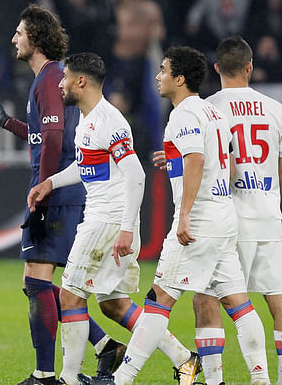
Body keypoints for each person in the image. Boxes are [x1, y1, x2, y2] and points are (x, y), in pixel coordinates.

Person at [82, 46, 269, 385]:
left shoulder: (182, 115)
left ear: (179, 79)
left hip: (197, 222)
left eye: (164, 70)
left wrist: (184, 215)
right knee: (239, 304)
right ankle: (260, 379)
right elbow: (220, 161)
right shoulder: (212, 112)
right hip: (223, 217)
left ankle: (121, 379)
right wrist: (174, 163)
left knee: (157, 301)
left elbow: (196, 160)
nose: (158, 76)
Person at [0, 4, 124, 385]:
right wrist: (7, 123)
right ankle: (104, 344)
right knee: (42, 282)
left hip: (56, 190)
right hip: (61, 186)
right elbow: (46, 134)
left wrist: (43, 188)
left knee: (37, 282)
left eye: (19, 33)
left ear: (36, 38)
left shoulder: (49, 78)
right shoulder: (55, 78)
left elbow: (56, 139)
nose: (13, 39)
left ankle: (45, 375)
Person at [27, 53, 199, 385]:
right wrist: (51, 182)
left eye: (65, 78)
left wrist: (124, 228)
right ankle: (184, 358)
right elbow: (87, 165)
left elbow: (136, 175)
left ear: (81, 82)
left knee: (70, 295)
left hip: (106, 221)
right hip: (106, 220)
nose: (60, 84)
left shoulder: (110, 121)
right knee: (114, 305)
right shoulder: (86, 119)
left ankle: (68, 377)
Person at [193, 36, 282, 385]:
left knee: (207, 298)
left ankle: (215, 380)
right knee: (276, 301)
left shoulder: (209, 107)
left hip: (229, 218)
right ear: (250, 67)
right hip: (269, 215)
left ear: (217, 68)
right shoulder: (275, 109)